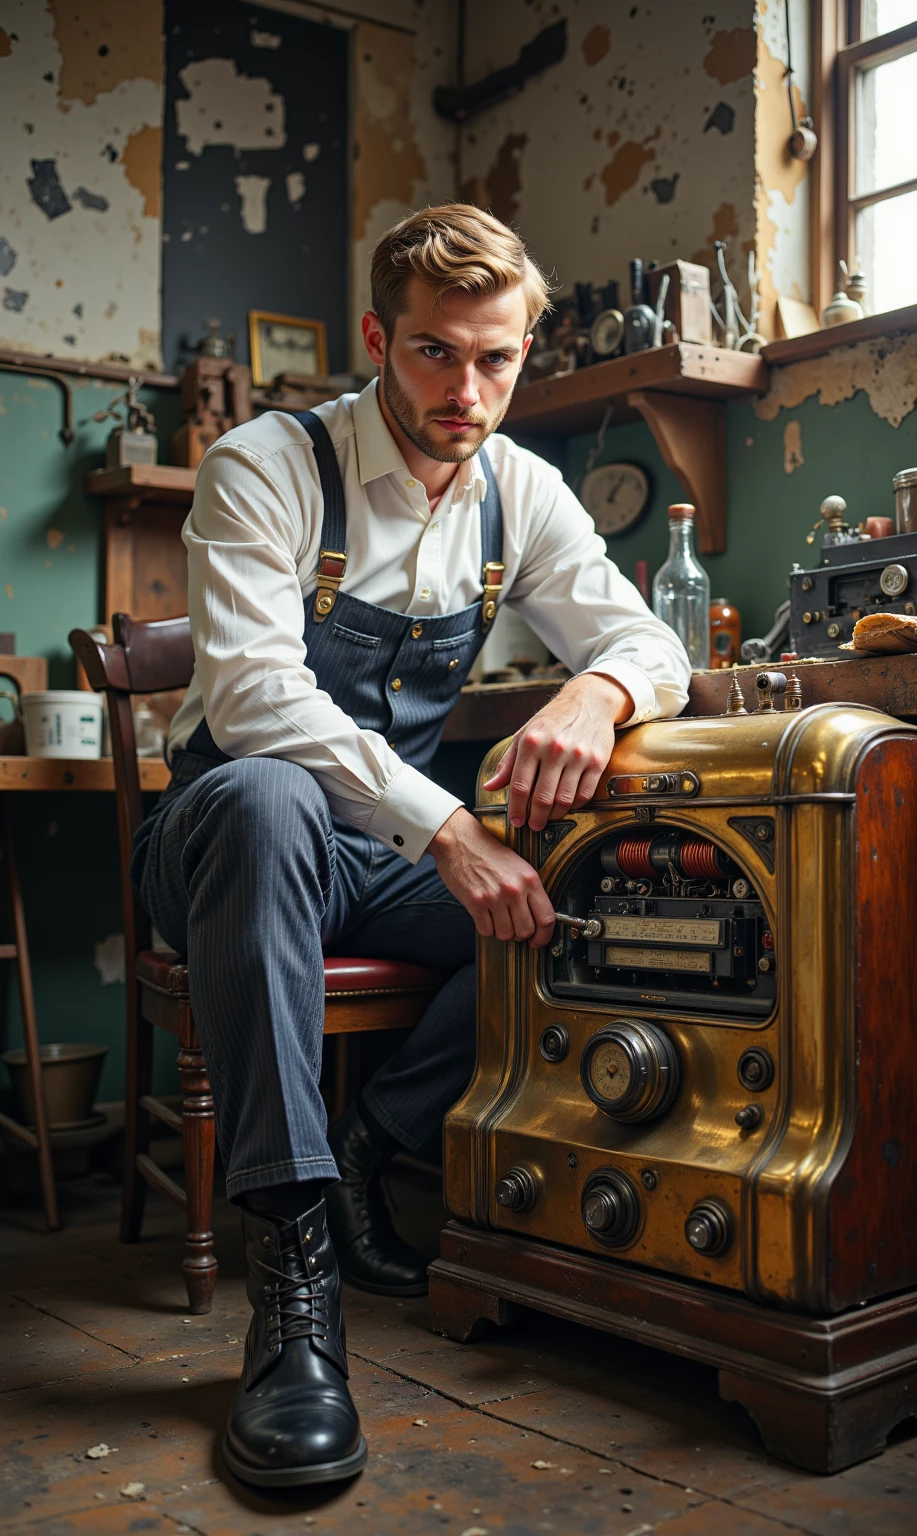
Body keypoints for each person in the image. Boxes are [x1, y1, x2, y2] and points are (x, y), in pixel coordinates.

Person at [131, 204, 691, 1488]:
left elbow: (649, 640)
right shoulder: (270, 465)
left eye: (496, 360)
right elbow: (262, 698)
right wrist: (447, 826)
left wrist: (592, 694)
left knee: (570, 903)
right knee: (272, 796)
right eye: (437, 353)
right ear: (380, 340)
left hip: (370, 860)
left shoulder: (520, 492)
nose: (468, 389)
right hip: (222, 833)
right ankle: (291, 1285)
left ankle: (374, 1146)